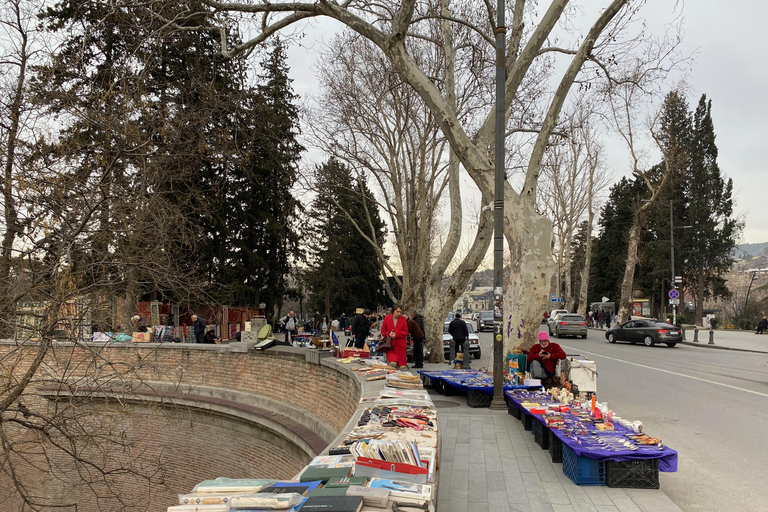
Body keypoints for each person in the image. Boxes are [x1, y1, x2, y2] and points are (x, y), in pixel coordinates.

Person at [380, 304, 409, 369]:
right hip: (390, 345)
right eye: (397, 311)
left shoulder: (403, 319)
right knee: (392, 363)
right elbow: (383, 332)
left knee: (398, 365)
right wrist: (388, 334)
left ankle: (394, 377)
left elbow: (406, 332)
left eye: (400, 312)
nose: (399, 313)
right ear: (393, 311)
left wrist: (396, 334)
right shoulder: (387, 318)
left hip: (400, 345)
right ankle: (390, 375)